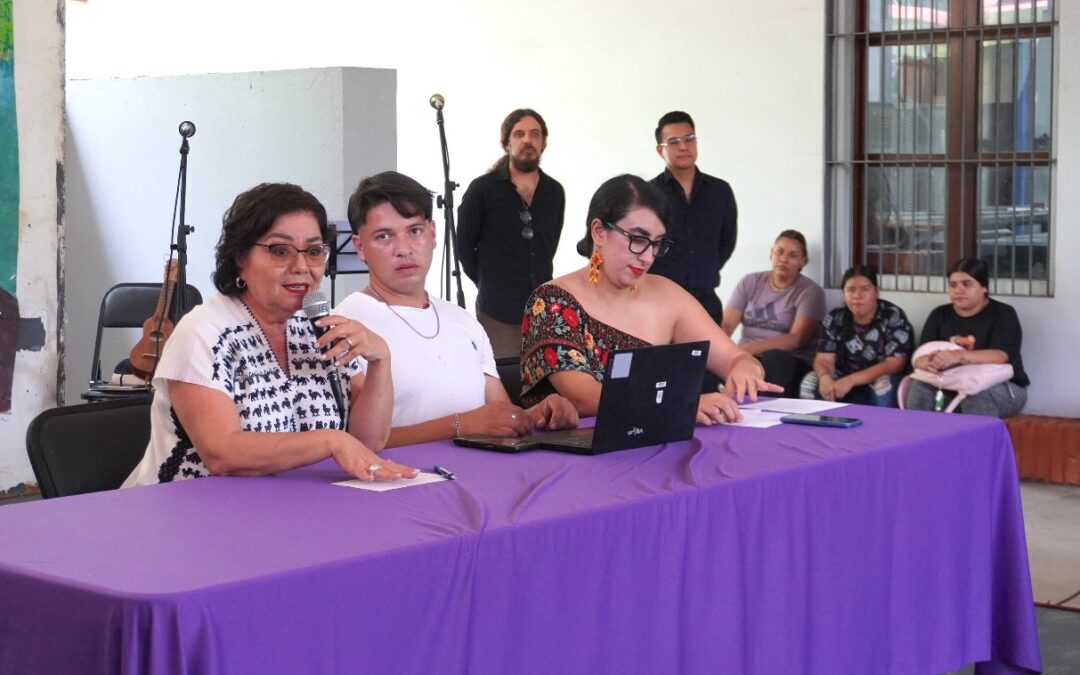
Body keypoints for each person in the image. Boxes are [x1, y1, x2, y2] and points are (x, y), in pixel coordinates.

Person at [123, 183, 418, 487]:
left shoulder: (317, 325)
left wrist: (381, 359)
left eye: (314, 251)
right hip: (189, 510)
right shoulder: (204, 331)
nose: (302, 266)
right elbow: (222, 453)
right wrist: (331, 441)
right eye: (280, 251)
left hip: (291, 505)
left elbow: (368, 440)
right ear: (241, 257)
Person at [335, 171, 578, 447]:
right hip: (398, 482)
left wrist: (542, 415)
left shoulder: (463, 320)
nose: (403, 249)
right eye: (383, 237)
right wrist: (461, 424)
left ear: (433, 233)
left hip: (480, 478)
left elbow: (500, 415)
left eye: (414, 231)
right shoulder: (347, 324)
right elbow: (358, 441)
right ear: (360, 247)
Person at [520, 174, 780, 424]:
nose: (647, 257)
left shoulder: (667, 295)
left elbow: (735, 358)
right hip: (574, 453)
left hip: (655, 442)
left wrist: (746, 370)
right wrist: (680, 404)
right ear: (599, 232)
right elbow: (583, 398)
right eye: (638, 239)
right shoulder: (553, 301)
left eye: (656, 244)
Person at [458, 108, 566, 358]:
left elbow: (550, 246)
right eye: (519, 134)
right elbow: (464, 248)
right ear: (506, 143)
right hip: (497, 311)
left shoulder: (555, 192)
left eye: (534, 134)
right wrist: (490, 282)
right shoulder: (482, 190)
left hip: (542, 310)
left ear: (544, 142)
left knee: (542, 381)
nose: (527, 140)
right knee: (502, 382)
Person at [904, 258, 1029, 417]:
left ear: (984, 287)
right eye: (953, 285)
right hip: (949, 385)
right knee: (919, 388)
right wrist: (928, 363)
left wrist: (959, 356)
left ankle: (977, 442)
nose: (958, 290)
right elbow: (921, 356)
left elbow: (1001, 355)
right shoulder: (939, 315)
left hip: (1001, 388)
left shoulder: (1003, 313)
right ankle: (921, 439)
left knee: (975, 394)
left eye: (967, 284)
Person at [647, 110, 738, 326]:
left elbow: (727, 242)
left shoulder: (720, 191)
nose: (683, 146)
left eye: (689, 139)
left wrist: (703, 268)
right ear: (661, 150)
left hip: (706, 300)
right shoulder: (649, 194)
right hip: (660, 300)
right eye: (674, 141)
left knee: (707, 359)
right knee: (662, 359)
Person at [722, 230, 826, 397]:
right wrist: (720, 350)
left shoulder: (810, 291)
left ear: (803, 261)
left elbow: (795, 340)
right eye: (780, 252)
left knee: (774, 359)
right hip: (747, 354)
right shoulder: (750, 282)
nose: (784, 259)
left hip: (787, 360)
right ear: (771, 253)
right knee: (707, 360)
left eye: (793, 255)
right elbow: (726, 324)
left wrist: (745, 349)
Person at [800, 265, 914, 407]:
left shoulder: (892, 316)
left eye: (865, 289)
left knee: (884, 386)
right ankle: (815, 428)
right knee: (810, 383)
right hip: (843, 376)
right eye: (851, 290)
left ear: (876, 292)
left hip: (878, 377)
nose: (857, 296)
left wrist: (851, 381)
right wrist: (825, 377)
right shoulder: (835, 318)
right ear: (843, 294)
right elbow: (823, 358)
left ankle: (880, 429)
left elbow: (895, 364)